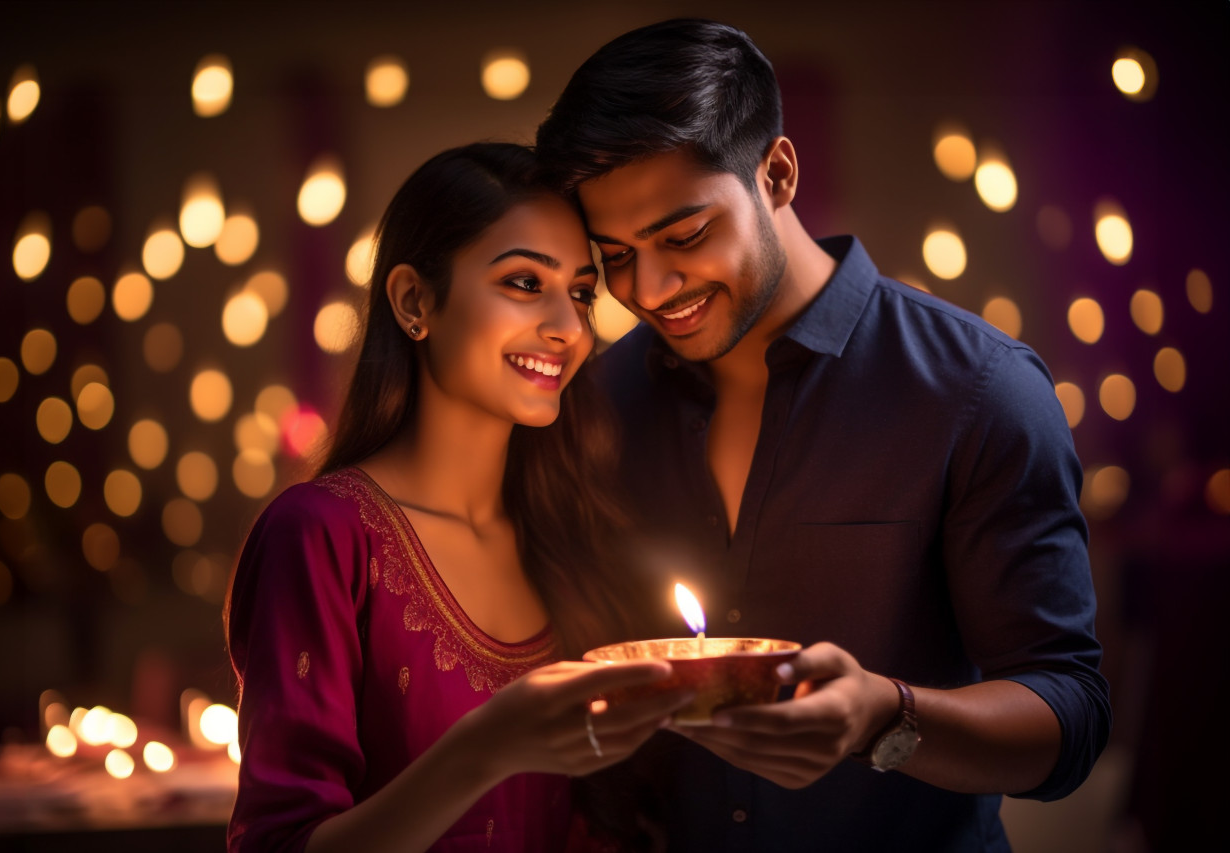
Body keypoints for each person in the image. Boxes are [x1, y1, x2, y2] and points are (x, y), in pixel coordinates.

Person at [535, 18, 1111, 852]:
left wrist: (887, 713)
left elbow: (1071, 712)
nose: (650, 290)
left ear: (776, 172)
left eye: (684, 236)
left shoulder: (977, 391)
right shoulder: (598, 403)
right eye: (616, 254)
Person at [224, 142, 692, 853]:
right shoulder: (321, 535)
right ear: (416, 300)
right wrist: (485, 749)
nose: (568, 329)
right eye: (525, 283)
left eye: (582, 292)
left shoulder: (570, 532)